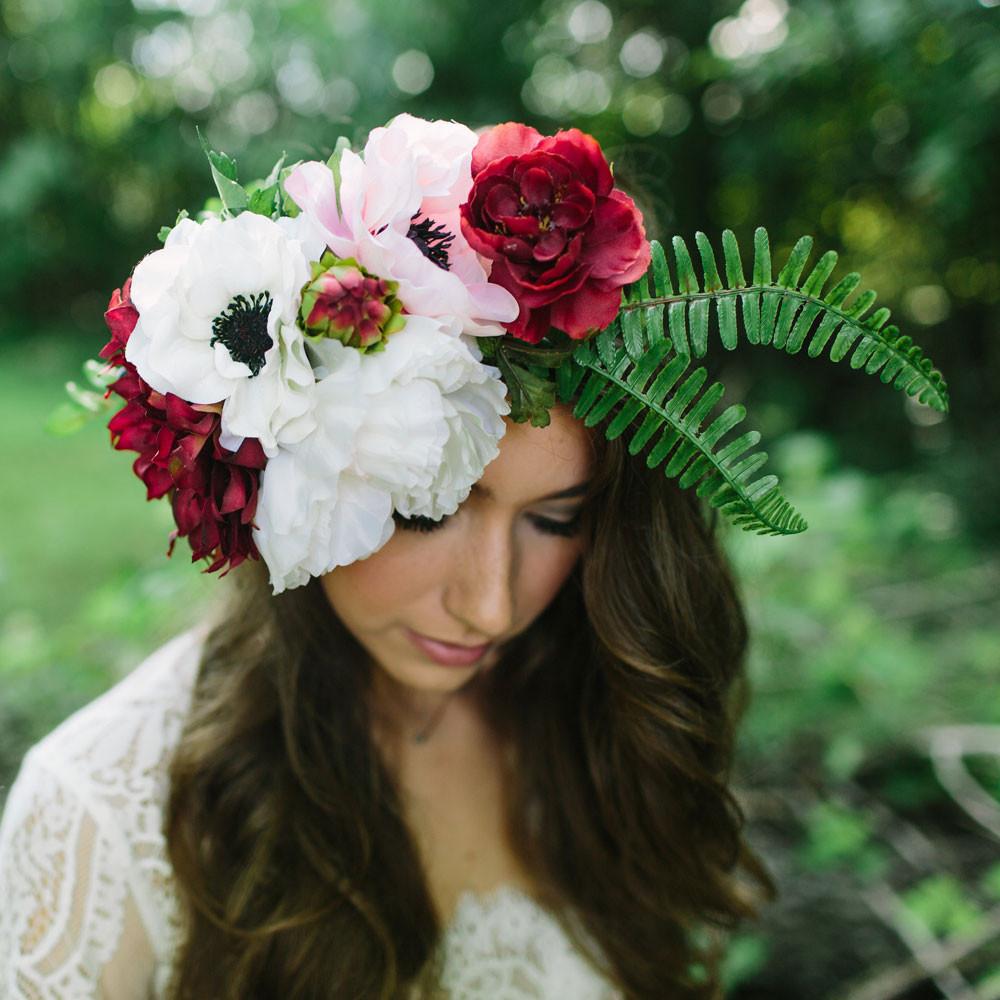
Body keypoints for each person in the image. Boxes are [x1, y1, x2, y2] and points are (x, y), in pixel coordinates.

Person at [0, 111, 948, 999]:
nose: (492, 610)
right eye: (424, 514)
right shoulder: (99, 819)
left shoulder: (597, 710)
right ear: (290, 462)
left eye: (557, 520)